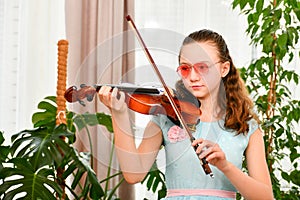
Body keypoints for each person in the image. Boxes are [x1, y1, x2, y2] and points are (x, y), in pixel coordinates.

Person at [98, 29, 273, 199]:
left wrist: (225, 166)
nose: (193, 77)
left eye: (203, 67)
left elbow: (266, 197)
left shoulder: (246, 125)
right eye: (185, 68)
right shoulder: (168, 115)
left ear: (224, 68)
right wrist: (119, 113)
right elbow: (133, 174)